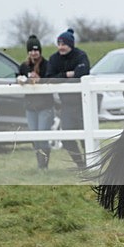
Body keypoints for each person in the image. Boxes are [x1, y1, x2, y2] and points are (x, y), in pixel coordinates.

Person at [45, 28, 90, 169]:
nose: (61, 47)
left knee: (86, 137)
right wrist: (68, 75)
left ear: (70, 44)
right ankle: (80, 164)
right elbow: (49, 78)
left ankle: (92, 164)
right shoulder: (54, 58)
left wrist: (62, 77)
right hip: (66, 105)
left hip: (83, 103)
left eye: (63, 44)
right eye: (58, 44)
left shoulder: (81, 55)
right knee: (67, 137)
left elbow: (82, 73)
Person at [17, 35, 55, 169]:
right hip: (30, 106)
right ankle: (40, 165)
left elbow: (50, 79)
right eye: (31, 50)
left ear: (40, 51)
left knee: (42, 137)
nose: (34, 53)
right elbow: (18, 76)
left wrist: (40, 79)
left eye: (36, 50)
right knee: (34, 138)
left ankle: (45, 166)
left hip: (45, 106)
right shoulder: (24, 66)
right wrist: (21, 80)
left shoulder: (46, 64)